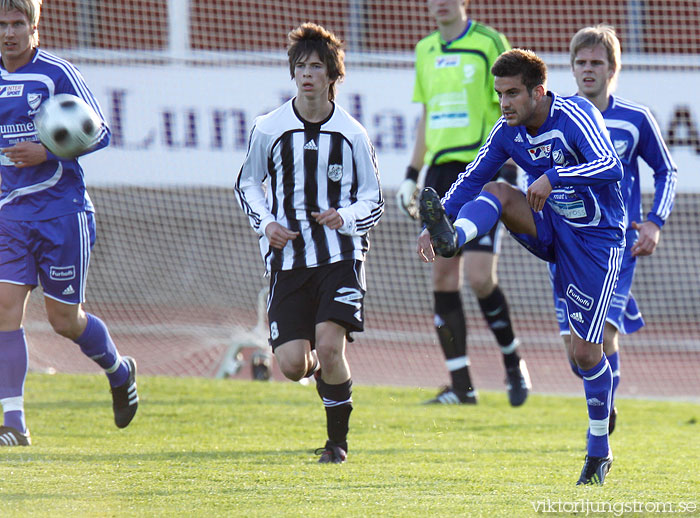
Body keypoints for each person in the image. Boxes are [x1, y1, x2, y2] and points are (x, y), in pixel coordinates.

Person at [416, 49, 624, 485]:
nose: (504, 103)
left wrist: (555, 178)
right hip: (549, 226)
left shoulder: (575, 114)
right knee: (497, 188)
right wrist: (439, 223)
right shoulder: (506, 131)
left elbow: (611, 166)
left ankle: (599, 449)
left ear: (538, 92)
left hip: (596, 240)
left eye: (512, 93)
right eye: (499, 95)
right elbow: (471, 178)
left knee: (584, 354)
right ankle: (456, 239)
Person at [235, 22, 383, 464]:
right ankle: (321, 373)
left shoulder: (352, 133)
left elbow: (374, 197)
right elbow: (247, 184)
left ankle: (336, 444)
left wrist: (347, 217)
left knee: (330, 343)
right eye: (300, 66)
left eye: (316, 66)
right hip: (288, 260)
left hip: (340, 257)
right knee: (293, 365)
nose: (307, 74)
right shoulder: (269, 128)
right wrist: (266, 225)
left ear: (332, 75)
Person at [0, 0, 138, 447]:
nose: (9, 33)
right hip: (10, 216)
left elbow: (101, 132)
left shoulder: (55, 73)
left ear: (34, 27)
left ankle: (119, 371)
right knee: (3, 308)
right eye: (1, 25)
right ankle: (14, 422)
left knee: (64, 320)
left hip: (62, 212)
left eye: (18, 23)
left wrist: (48, 149)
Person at [396, 0, 530, 406]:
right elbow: (426, 115)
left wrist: (506, 166)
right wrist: (410, 173)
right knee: (442, 278)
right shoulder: (425, 50)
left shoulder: (488, 41)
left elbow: (509, 105)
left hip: (482, 165)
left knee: (479, 277)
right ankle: (461, 387)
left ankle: (513, 363)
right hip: (439, 172)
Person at [553, 24, 677, 435]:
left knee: (603, 330)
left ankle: (605, 415)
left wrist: (655, 223)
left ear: (612, 69)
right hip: (567, 245)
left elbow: (666, 171)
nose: (588, 69)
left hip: (616, 245)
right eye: (581, 62)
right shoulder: (558, 118)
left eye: (597, 63)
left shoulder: (634, 119)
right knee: (578, 352)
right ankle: (604, 396)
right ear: (571, 69)